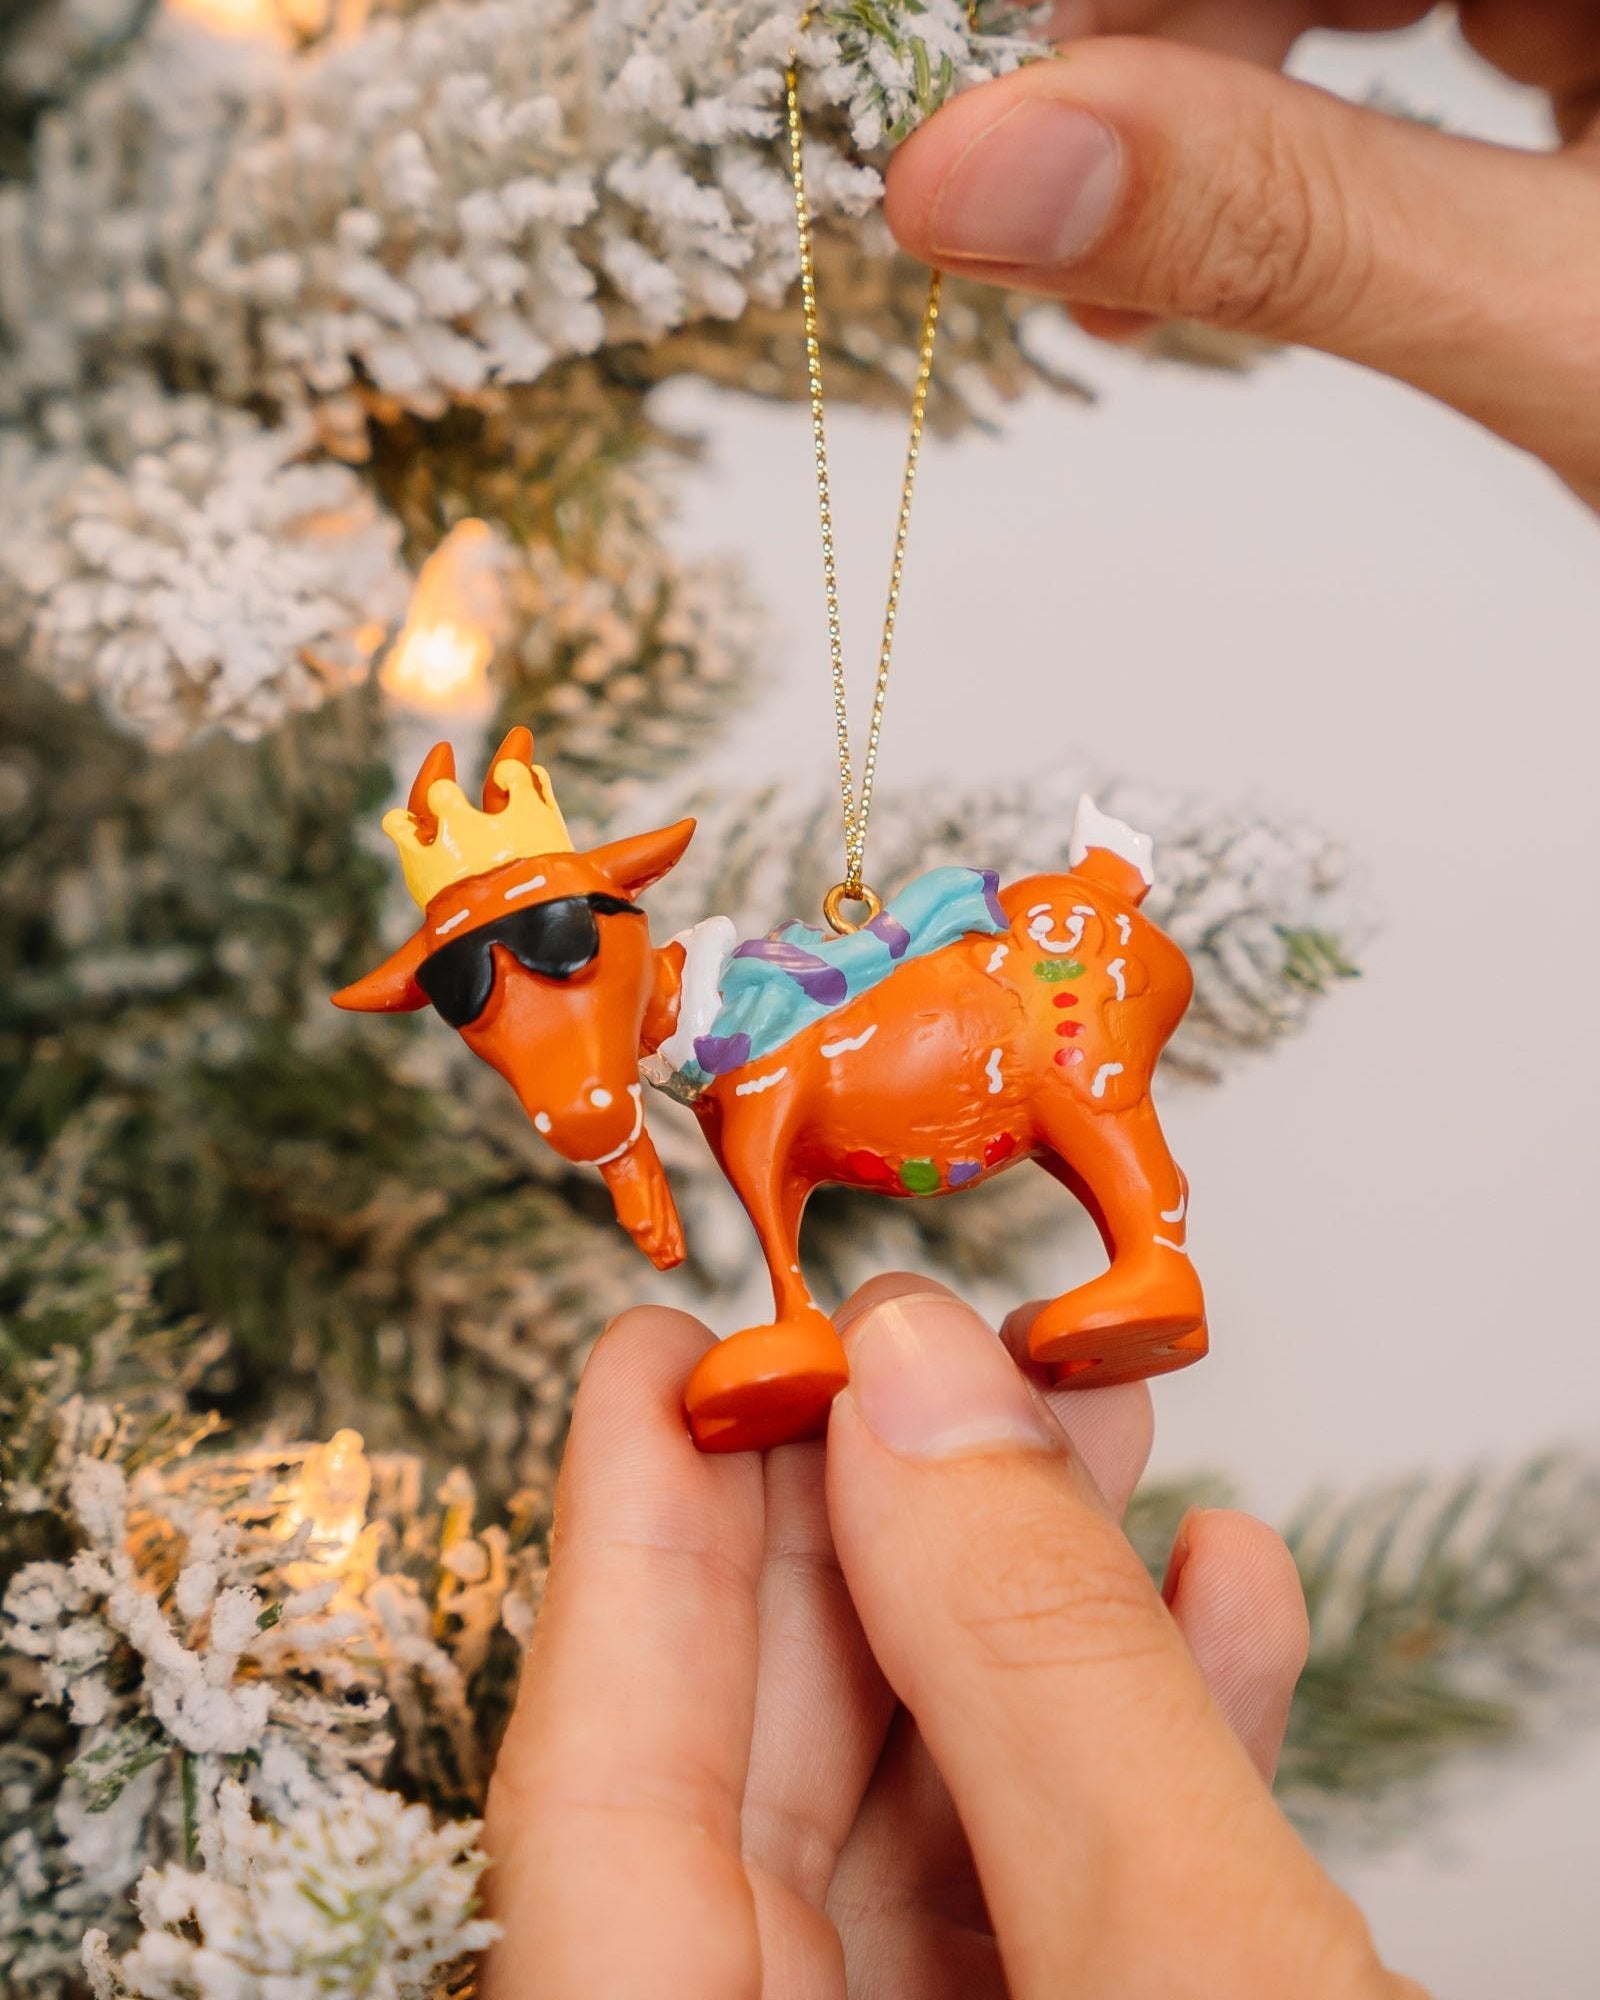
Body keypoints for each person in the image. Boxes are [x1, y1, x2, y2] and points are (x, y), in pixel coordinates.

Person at [480, 12, 1596, 1994]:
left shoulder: (786, 993)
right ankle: (827, 1308)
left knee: (1009, 1082)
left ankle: (1120, 1251)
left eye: (552, 955)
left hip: (1002, 998)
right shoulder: (709, 1031)